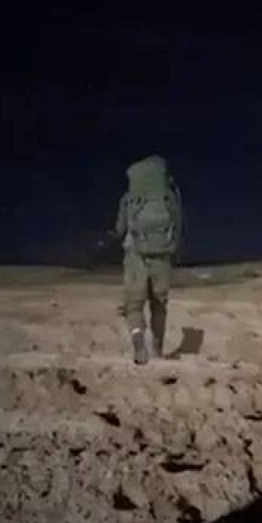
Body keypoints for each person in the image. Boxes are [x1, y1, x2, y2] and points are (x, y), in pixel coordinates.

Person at [112, 154, 182, 365]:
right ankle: (157, 349)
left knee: (134, 305)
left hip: (136, 256)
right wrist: (173, 250)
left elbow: (120, 228)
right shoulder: (170, 197)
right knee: (159, 304)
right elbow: (178, 226)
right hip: (163, 255)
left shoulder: (130, 198)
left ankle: (138, 342)